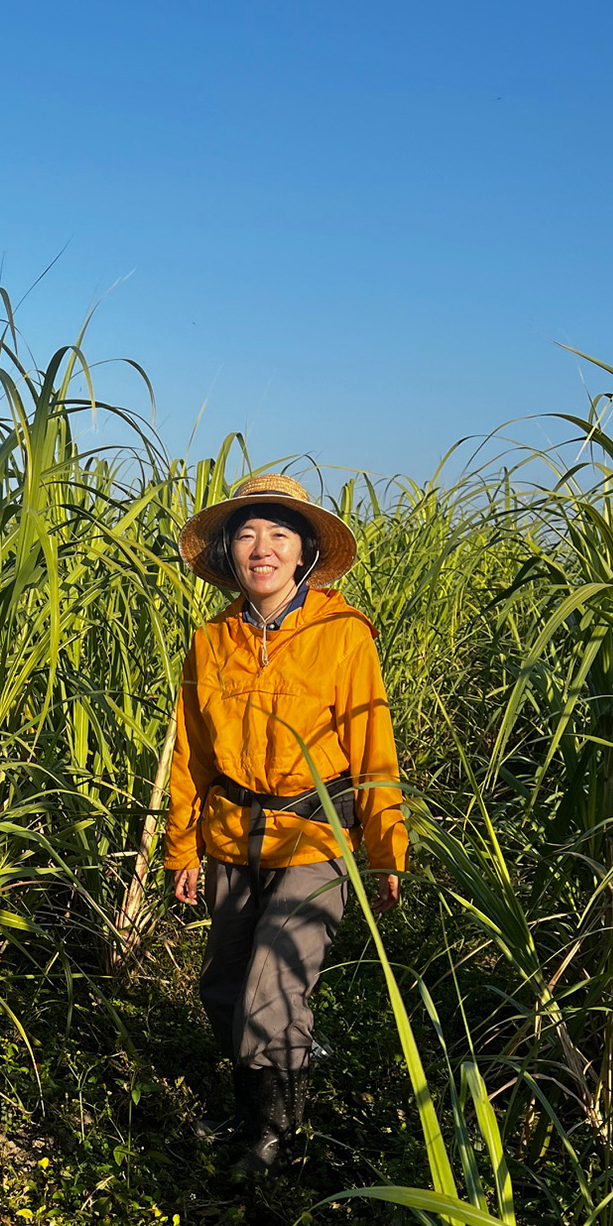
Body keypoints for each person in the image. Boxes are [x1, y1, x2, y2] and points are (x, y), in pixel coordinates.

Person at [164, 472, 408, 1177]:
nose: (260, 548)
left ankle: (274, 1134)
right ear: (230, 556)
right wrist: (183, 848)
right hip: (230, 839)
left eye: (277, 535)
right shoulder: (211, 643)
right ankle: (253, 1098)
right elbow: (192, 754)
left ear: (303, 553)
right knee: (223, 987)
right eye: (245, 536)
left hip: (314, 839)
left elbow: (373, 747)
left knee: (271, 991)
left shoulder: (343, 636)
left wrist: (387, 849)